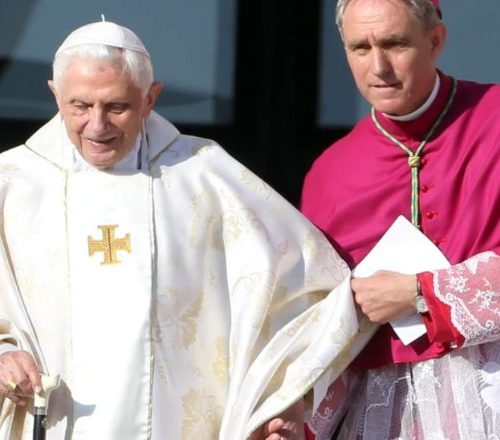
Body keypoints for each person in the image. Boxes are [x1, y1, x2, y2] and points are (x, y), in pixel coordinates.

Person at [0, 19, 374, 439]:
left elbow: (306, 291)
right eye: (80, 106)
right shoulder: (12, 184)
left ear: (150, 99)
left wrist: (282, 398)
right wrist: (3, 355)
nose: (98, 124)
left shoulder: (206, 176)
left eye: (117, 107)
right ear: (55, 94)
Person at [301, 0, 500, 438]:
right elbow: (330, 333)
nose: (379, 67)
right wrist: (295, 417)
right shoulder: (329, 174)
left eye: (394, 44)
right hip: (391, 414)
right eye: (360, 48)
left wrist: (420, 292)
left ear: (435, 40)